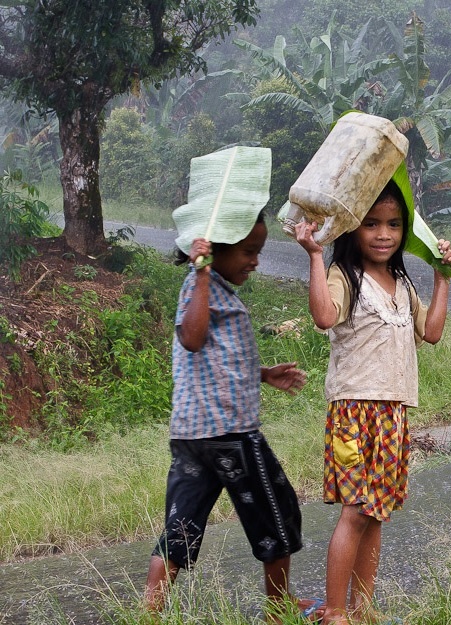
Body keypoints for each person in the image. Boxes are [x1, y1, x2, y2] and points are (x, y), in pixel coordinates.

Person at [292, 179, 451, 625]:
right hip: (353, 412)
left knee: (376, 513)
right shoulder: (344, 276)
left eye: (393, 224)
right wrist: (313, 255)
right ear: (352, 229)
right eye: (371, 224)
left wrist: (442, 278)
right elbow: (324, 316)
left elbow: (433, 332)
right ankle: (335, 612)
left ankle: (364, 608)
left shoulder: (402, 282)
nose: (383, 234)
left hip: (394, 413)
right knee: (355, 512)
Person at [144, 213, 307, 623]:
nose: (255, 261)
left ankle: (149, 610)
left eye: (258, 252)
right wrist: (200, 273)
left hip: (192, 437)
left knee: (182, 525)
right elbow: (193, 338)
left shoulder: (214, 289)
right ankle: (279, 608)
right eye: (249, 252)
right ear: (215, 251)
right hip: (231, 433)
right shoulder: (199, 287)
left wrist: (264, 375)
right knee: (277, 511)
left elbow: (221, 362)